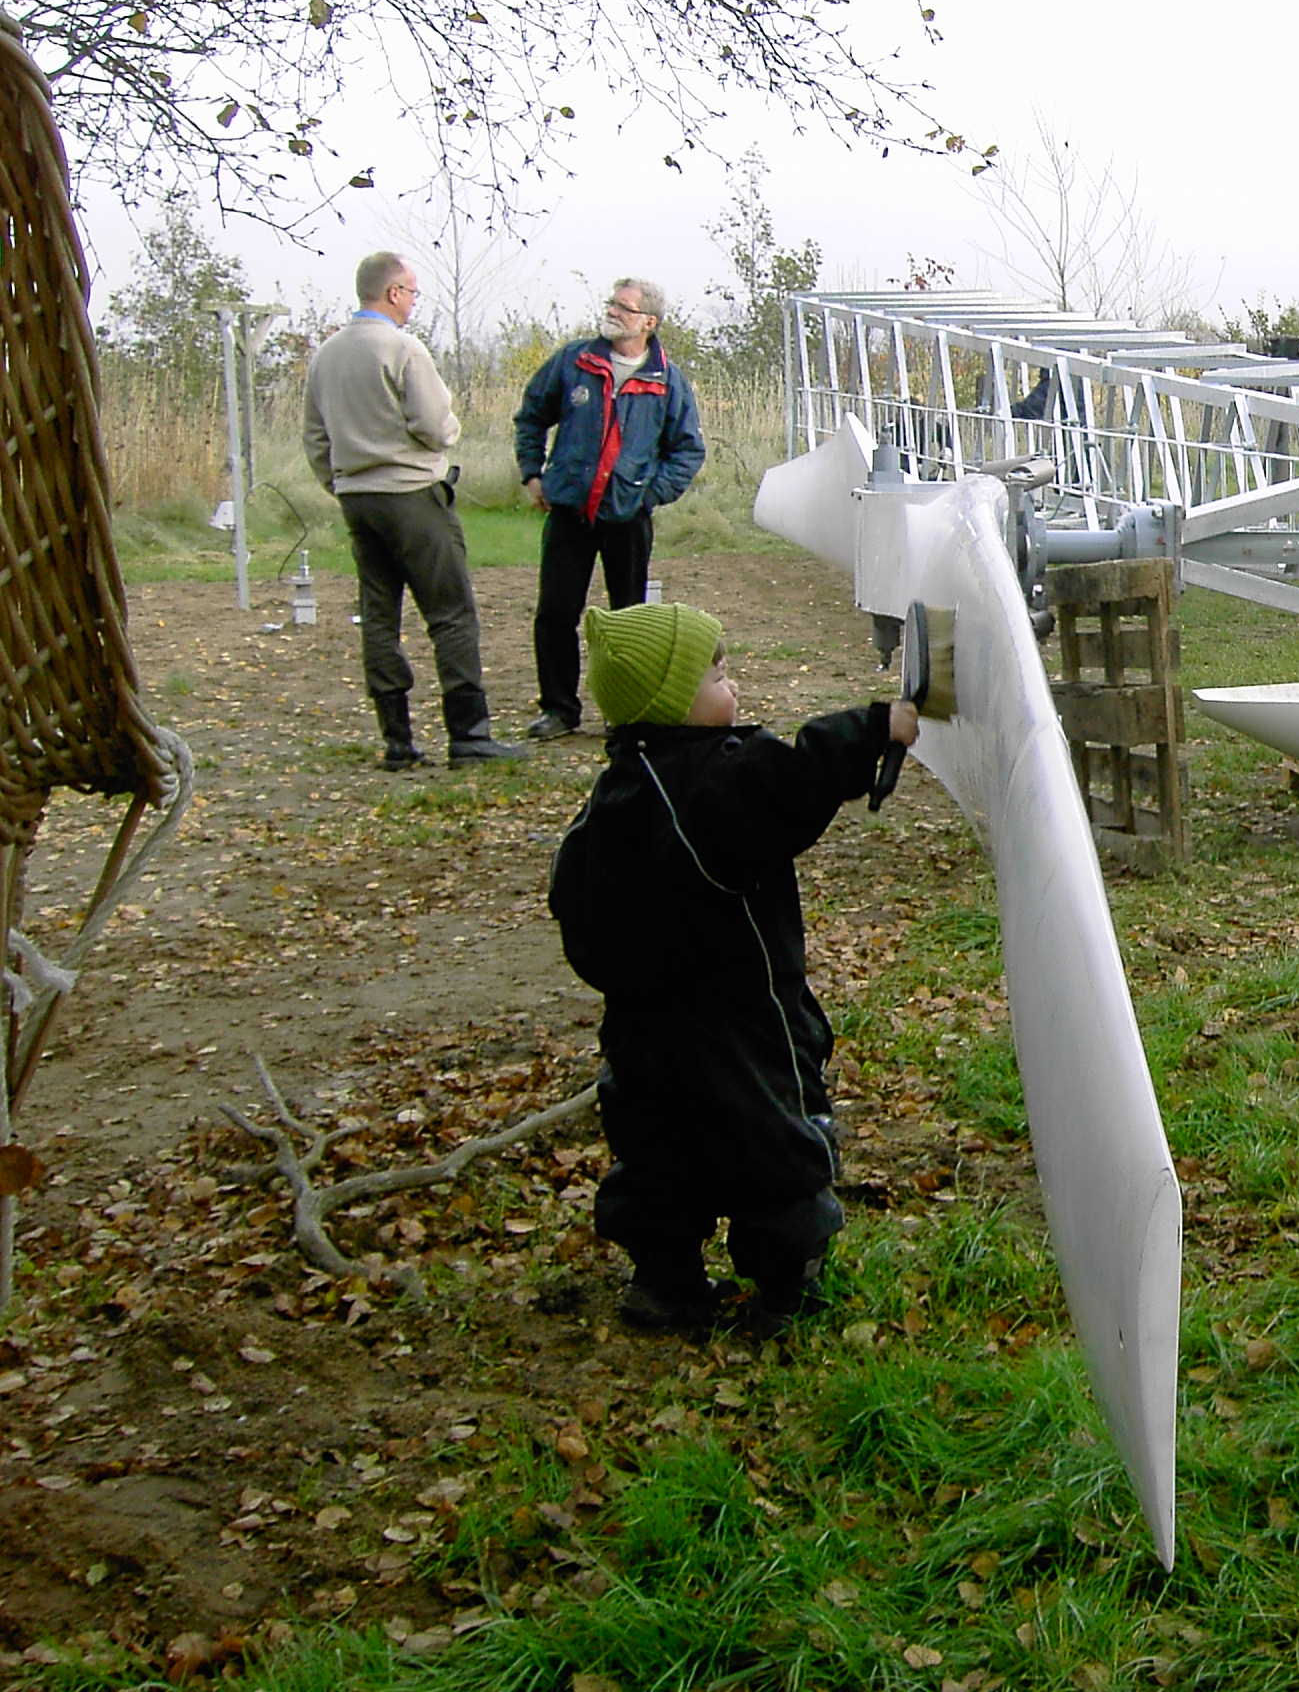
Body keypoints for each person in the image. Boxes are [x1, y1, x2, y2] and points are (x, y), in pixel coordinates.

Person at [549, 601, 918, 1335]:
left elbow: (575, 904)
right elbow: (794, 777)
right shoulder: (713, 786)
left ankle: (663, 1280)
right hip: (739, 1019)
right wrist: (880, 729)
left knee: (656, 1156)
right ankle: (787, 1288)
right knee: (771, 1147)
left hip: (642, 1033)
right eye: (717, 674)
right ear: (669, 700)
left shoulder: (615, 795)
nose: (734, 687)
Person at [303, 252, 523, 770]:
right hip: (411, 494)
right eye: (413, 292)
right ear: (393, 293)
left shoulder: (326, 356)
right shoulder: (401, 348)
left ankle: (397, 739)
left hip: (357, 498)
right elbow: (432, 422)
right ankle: (469, 735)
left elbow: (315, 437)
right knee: (450, 614)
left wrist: (340, 483)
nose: (413, 302)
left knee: (379, 616)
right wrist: (448, 435)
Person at [513, 279, 706, 741]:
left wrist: (648, 494)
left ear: (649, 322)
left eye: (625, 307)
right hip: (570, 512)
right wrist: (532, 474)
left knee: (629, 617)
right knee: (556, 612)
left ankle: (625, 711)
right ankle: (559, 710)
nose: (613, 312)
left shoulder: (667, 381)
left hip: (627, 517)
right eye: (612, 304)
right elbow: (531, 416)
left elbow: (687, 451)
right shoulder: (574, 362)